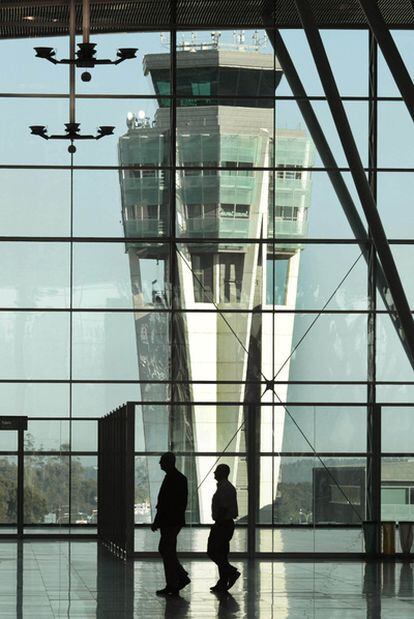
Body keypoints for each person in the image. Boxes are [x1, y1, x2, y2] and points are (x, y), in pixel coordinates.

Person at [151, 452, 190, 596]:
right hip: (173, 521)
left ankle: (174, 583)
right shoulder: (179, 478)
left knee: (166, 550)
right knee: (167, 550)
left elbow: (165, 504)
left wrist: (158, 520)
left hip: (170, 521)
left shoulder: (172, 479)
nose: (160, 464)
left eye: (161, 461)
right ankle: (178, 578)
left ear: (168, 462)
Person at [207, 463, 240, 592]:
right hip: (225, 523)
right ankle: (223, 581)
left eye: (216, 471)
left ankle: (230, 572)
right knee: (221, 553)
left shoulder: (224, 488)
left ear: (221, 473)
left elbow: (223, 507)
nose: (214, 473)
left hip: (223, 524)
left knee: (213, 551)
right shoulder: (226, 487)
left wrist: (218, 523)